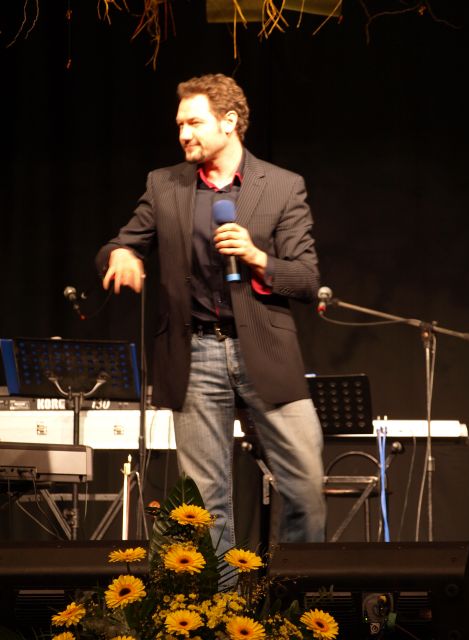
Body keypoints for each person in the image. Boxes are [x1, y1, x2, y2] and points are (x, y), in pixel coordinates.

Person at [96, 73, 326, 555]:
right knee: (204, 503)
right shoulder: (165, 184)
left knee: (305, 485)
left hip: (265, 351)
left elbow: (306, 279)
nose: (184, 134)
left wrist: (256, 256)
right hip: (194, 351)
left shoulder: (282, 186)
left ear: (229, 121)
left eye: (194, 123)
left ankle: (298, 593)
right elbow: (123, 242)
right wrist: (120, 255)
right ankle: (220, 600)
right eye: (180, 125)